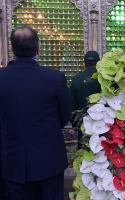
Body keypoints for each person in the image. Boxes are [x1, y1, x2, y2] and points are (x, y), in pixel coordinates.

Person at [0, 26, 70, 199]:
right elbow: (64, 116)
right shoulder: (55, 78)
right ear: (38, 49)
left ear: (12, 49)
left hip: (11, 159)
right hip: (49, 159)